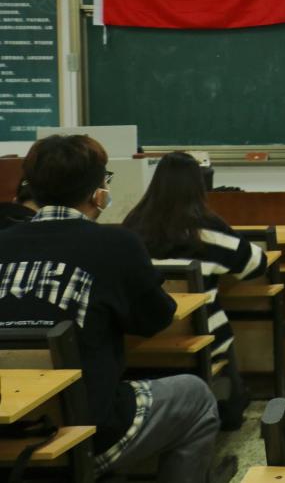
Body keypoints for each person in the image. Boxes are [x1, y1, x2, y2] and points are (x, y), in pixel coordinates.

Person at [0, 135, 218, 481]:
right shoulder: (115, 243)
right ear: (97, 192)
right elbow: (156, 319)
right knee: (196, 397)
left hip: (7, 427)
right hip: (85, 432)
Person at [123, 151, 268, 429]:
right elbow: (254, 265)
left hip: (138, 342)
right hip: (199, 341)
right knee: (218, 324)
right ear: (199, 187)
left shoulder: (131, 228)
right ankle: (230, 404)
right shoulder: (207, 230)